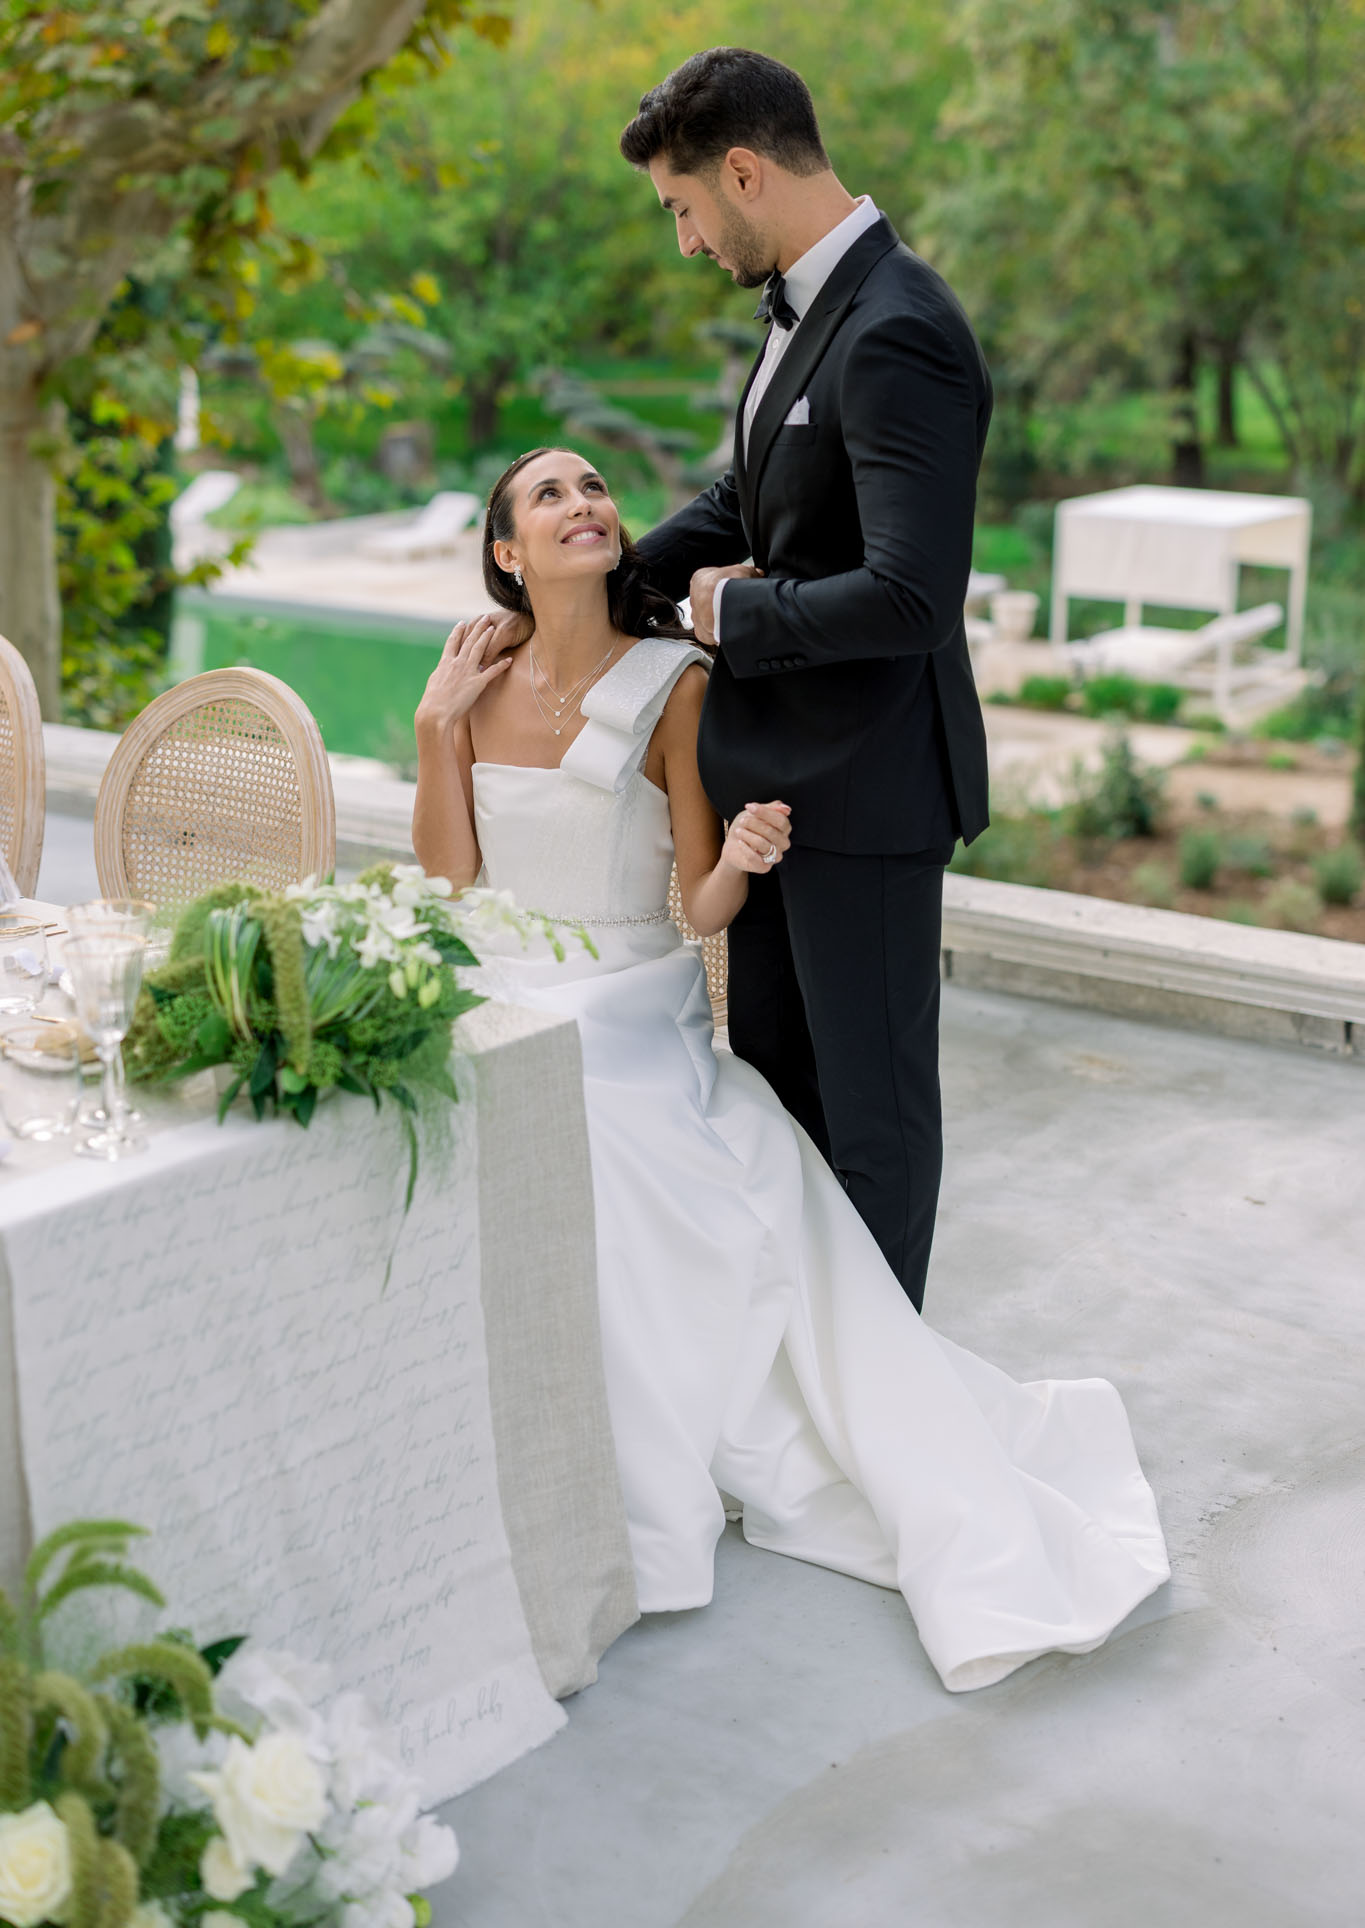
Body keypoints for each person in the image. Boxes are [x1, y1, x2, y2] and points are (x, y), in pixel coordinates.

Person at [411, 446, 1169, 1695]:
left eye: (596, 487)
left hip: (626, 998)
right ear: (506, 552)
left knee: (583, 1107)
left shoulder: (675, 684)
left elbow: (700, 905)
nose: (586, 504)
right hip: (502, 976)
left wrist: (751, 851)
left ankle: (620, 1481)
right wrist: (441, 726)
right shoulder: (469, 687)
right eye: (550, 495)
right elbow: (448, 879)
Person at [620, 46, 992, 1313]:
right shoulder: (801, 307)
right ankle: (801, 1390)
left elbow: (911, 595)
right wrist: (605, 580)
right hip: (774, 793)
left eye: (681, 208)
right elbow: (753, 493)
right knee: (773, 1102)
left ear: (741, 171)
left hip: (872, 796)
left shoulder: (904, 329)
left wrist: (731, 609)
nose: (683, 241)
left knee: (871, 1130)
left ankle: (887, 1430)